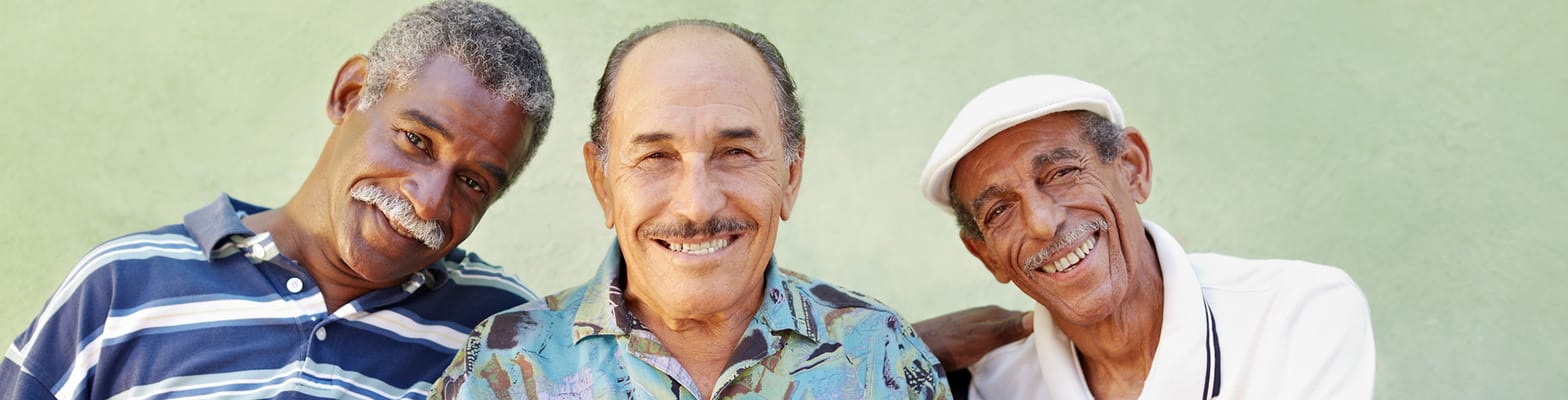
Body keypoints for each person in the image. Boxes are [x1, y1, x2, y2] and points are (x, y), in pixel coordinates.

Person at [0, 1, 553, 398]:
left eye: (474, 183)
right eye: (416, 141)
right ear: (350, 94)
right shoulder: (123, 287)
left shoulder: (502, 334)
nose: (430, 202)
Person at [431, 20, 954, 399]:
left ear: (790, 176)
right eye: (656, 156)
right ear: (603, 183)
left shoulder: (879, 352)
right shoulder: (501, 366)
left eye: (735, 153)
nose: (697, 203)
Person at [919, 75, 1376, 399]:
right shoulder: (992, 384)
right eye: (1000, 211)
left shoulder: (1297, 313)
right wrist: (897, 345)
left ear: (1132, 168)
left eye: (1061, 173)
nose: (1042, 223)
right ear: (986, 256)